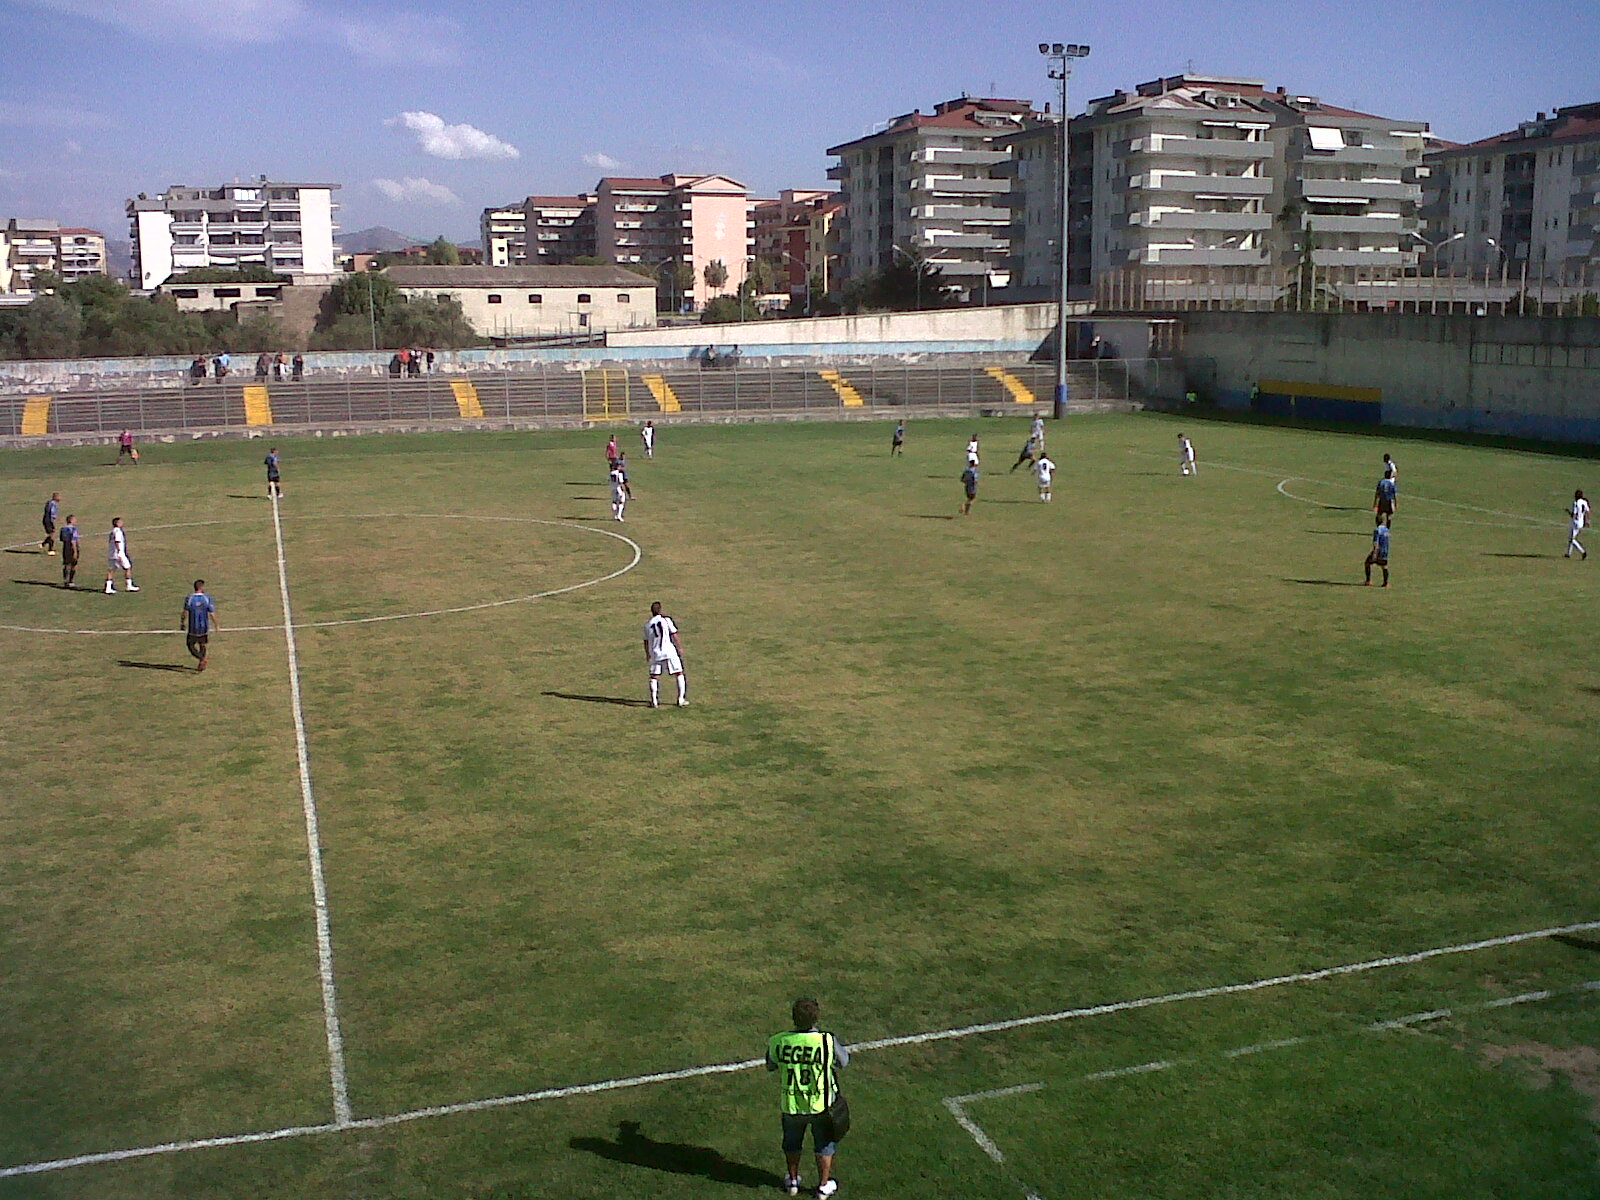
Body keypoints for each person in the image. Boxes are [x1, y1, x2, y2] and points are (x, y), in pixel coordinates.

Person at [766, 997, 848, 1198]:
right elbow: (843, 1062)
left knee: (792, 1144)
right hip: (820, 1104)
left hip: (792, 1104)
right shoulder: (826, 1040)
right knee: (824, 1145)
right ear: (816, 1018)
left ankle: (793, 1182)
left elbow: (771, 1065)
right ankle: (822, 1186)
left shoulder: (778, 1040)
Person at [643, 600, 687, 707]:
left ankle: (654, 700)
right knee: (679, 673)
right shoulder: (666, 620)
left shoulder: (647, 625)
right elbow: (674, 634)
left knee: (654, 676)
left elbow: (646, 642)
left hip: (656, 653)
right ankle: (681, 699)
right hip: (669, 651)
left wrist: (647, 654)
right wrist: (680, 647)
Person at [181, 579, 217, 672]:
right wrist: (216, 625)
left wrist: (182, 623)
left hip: (193, 627)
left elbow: (185, 612)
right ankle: (202, 661)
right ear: (201, 587)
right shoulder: (207, 598)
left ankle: (201, 659)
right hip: (204, 627)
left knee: (190, 645)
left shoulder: (190, 598)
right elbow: (212, 613)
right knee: (202, 644)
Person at [105, 517, 138, 594]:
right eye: (120, 522)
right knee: (128, 567)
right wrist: (119, 552)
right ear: (117, 523)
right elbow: (117, 541)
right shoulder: (118, 532)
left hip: (112, 554)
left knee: (111, 571)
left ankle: (108, 587)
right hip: (119, 554)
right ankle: (129, 585)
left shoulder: (112, 532)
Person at [1364, 518, 1391, 587]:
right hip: (1385, 551)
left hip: (1378, 551)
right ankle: (1386, 583)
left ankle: (1368, 581)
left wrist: (1375, 553)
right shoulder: (1386, 530)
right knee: (1384, 566)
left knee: (1367, 563)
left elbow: (1376, 543)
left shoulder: (1377, 530)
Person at [1567, 488, 1589, 560]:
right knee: (1571, 536)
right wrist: (1587, 521)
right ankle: (1568, 553)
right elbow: (1587, 512)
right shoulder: (1584, 502)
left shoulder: (1576, 503)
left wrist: (1568, 512)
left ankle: (1583, 552)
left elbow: (1574, 515)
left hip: (1575, 522)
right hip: (1581, 522)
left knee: (1572, 539)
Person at [58, 513, 80, 588]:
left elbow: (61, 539)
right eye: (74, 520)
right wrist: (75, 551)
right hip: (72, 548)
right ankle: (71, 581)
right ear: (71, 520)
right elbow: (73, 541)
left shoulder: (63, 529)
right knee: (73, 565)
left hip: (65, 548)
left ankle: (65, 580)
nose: (76, 521)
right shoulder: (74, 529)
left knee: (66, 564)